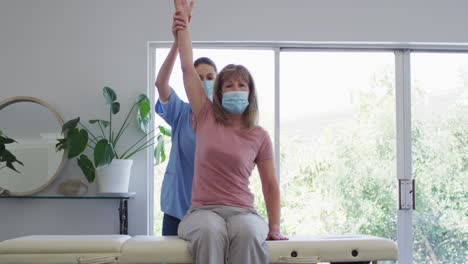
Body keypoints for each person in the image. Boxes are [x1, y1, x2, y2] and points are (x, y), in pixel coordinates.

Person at [172, 0, 288, 263]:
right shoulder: (205, 115)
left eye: (241, 85)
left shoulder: (259, 136)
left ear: (250, 92)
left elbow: (270, 185)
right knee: (211, 231)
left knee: (248, 232)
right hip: (202, 211)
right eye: (229, 86)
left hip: (243, 212)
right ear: (219, 93)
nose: (236, 89)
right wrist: (184, 27)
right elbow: (188, 67)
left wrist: (274, 227)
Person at [155, 7, 218, 236]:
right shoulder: (181, 112)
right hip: (176, 210)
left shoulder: (221, 120)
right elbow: (161, 83)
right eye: (198, 77)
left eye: (210, 78)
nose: (203, 82)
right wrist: (176, 42)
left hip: (209, 212)